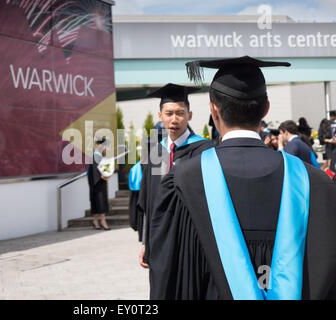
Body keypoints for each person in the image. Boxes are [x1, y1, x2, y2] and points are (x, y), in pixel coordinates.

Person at [150, 56, 336, 300]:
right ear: (266, 108)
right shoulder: (315, 183)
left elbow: (168, 275)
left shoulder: (184, 182)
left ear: (213, 110)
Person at [138, 83, 213, 269]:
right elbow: (148, 202)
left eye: (180, 113)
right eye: (169, 113)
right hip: (159, 240)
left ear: (189, 115)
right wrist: (145, 243)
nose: (174, 119)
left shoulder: (204, 151)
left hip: (194, 241)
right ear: (160, 116)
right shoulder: (154, 154)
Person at [87, 137, 111, 230]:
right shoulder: (96, 156)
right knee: (100, 201)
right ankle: (103, 221)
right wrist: (104, 176)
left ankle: (95, 221)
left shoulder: (98, 156)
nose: (106, 149)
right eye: (105, 147)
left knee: (97, 201)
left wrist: (106, 174)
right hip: (97, 184)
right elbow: (96, 173)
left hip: (99, 183)